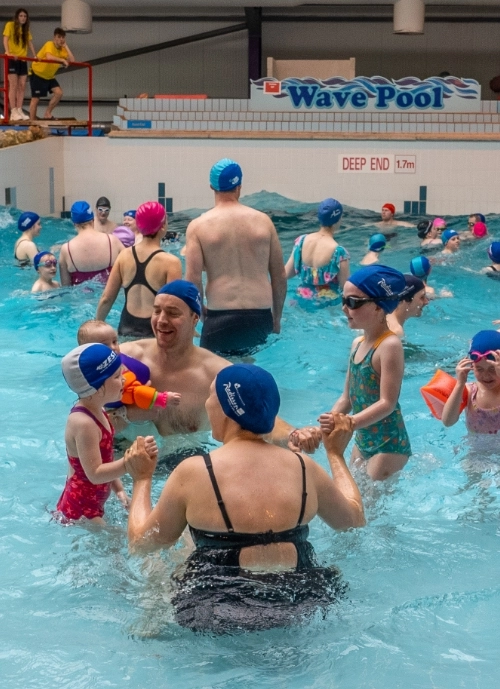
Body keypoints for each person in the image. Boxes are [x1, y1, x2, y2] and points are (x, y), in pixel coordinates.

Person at [125, 364, 365, 632]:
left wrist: (142, 478)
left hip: (215, 607)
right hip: (301, 600)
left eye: (210, 396)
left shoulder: (194, 472)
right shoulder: (304, 467)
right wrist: (335, 454)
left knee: (160, 558)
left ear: (226, 410)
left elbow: (141, 544)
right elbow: (353, 520)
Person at [119, 280, 321, 454]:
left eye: (173, 313)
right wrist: (124, 415)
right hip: (124, 460)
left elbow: (259, 419)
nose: (162, 320)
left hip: (184, 463)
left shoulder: (217, 374)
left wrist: (293, 435)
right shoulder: (124, 358)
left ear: (195, 319)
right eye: (156, 311)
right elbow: (90, 412)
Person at [185, 158, 286, 355]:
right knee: (251, 373)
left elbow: (193, 280)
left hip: (220, 315)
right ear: (239, 186)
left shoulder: (198, 226)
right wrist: (276, 319)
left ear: (211, 186)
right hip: (260, 315)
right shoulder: (263, 222)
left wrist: (199, 315)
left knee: (215, 376)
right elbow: (279, 276)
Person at [55, 342, 158, 523]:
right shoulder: (83, 423)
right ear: (96, 386)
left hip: (94, 503)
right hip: (80, 509)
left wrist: (119, 490)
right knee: (118, 546)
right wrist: (129, 462)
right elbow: (95, 473)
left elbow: (106, 459)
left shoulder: (99, 410)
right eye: (118, 376)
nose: (125, 380)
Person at [328, 265, 412, 480]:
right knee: (353, 499)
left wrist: (349, 424)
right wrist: (328, 423)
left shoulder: (390, 345)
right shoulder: (357, 344)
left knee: (369, 510)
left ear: (378, 307)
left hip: (389, 444)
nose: (344, 308)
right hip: (363, 438)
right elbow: (346, 398)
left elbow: (387, 403)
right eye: (343, 300)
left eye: (353, 302)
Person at [96, 201, 182, 338]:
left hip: (126, 327)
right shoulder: (171, 262)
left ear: (139, 226)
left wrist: (96, 326)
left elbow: (106, 298)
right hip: (155, 331)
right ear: (163, 226)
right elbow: (174, 305)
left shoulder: (124, 256)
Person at [76, 319, 181, 432]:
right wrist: (163, 399)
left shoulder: (87, 373)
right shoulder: (115, 374)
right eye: (104, 345)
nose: (113, 347)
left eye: (115, 341)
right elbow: (137, 392)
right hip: (129, 420)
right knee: (148, 438)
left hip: (108, 412)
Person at [284, 198, 349, 302]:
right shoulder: (339, 252)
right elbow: (346, 290)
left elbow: (285, 274)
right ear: (338, 219)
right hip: (326, 305)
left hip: (300, 299)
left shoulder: (301, 241)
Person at [442, 330, 500, 435]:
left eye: (492, 369)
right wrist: (460, 384)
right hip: (476, 450)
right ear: (472, 366)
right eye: (479, 369)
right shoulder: (470, 391)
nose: (486, 375)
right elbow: (448, 422)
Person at [58, 201, 123, 286]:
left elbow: (66, 287)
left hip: (80, 298)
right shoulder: (112, 241)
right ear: (93, 219)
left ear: (74, 223)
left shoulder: (66, 249)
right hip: (110, 297)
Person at [29, 27, 74, 121]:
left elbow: (72, 60)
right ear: (55, 38)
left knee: (59, 93)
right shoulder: (49, 44)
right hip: (38, 73)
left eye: (63, 37)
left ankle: (47, 113)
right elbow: (49, 57)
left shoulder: (63, 49)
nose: (62, 39)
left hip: (49, 76)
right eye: (59, 37)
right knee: (35, 99)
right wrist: (62, 60)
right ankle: (32, 122)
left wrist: (66, 46)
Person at [3, 8, 36, 121]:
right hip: (12, 58)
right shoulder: (10, 25)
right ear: (17, 17)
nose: (23, 18)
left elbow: (29, 42)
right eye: (21, 16)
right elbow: (5, 39)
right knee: (13, 85)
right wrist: (8, 52)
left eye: (25, 16)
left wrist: (34, 55)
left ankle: (19, 109)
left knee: (22, 85)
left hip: (22, 59)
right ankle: (13, 111)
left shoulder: (26, 29)